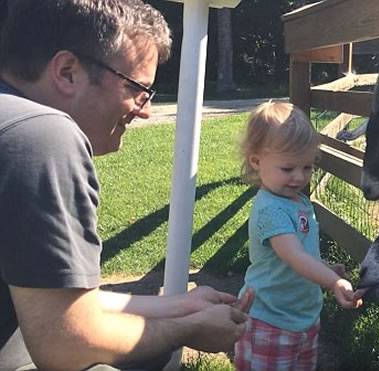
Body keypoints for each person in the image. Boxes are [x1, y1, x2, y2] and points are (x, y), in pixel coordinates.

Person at [0, 1, 253, 370]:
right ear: (68, 71)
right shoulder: (40, 135)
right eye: (138, 88)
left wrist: (180, 306)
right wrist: (186, 329)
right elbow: (64, 344)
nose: (146, 109)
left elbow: (58, 302)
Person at [233, 102, 363, 370]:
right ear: (256, 161)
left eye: (307, 167)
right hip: (269, 320)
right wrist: (333, 283)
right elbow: (293, 257)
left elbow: (304, 253)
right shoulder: (271, 209)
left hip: (301, 317)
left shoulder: (296, 201)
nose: (298, 177)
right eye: (288, 168)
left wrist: (326, 268)